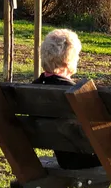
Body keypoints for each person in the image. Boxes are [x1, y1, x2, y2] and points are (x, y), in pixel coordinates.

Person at [33, 28, 99, 169]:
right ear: (68, 60)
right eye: (77, 55)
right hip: (90, 158)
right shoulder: (76, 93)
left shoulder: (34, 89)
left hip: (64, 158)